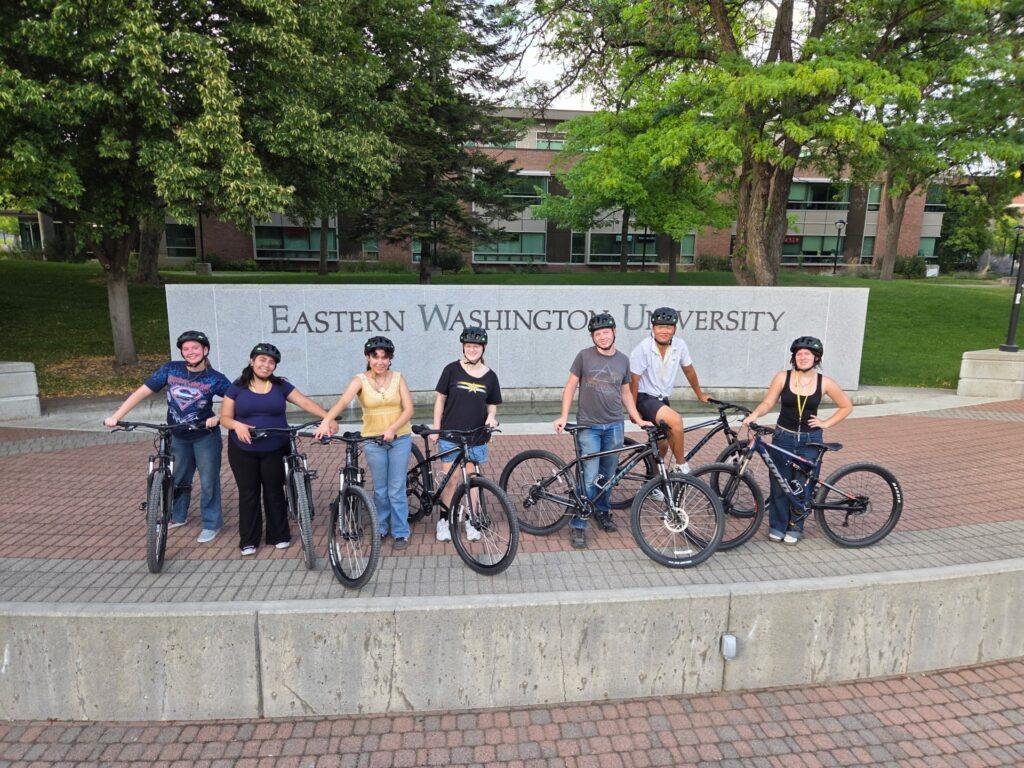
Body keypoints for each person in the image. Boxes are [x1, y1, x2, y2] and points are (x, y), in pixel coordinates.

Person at [104, 330, 230, 544]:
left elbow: (236, 399)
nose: (190, 352)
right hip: (177, 435)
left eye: (195, 348)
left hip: (204, 436)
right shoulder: (171, 369)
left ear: (205, 350)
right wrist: (116, 416)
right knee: (179, 479)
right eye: (186, 348)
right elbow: (142, 392)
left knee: (208, 481)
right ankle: (177, 516)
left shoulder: (215, 378)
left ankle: (211, 523)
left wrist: (219, 416)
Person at [220, 342, 334, 556]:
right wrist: (237, 424)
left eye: (271, 362)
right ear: (252, 361)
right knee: (249, 493)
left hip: (276, 446)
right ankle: (249, 539)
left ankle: (279, 535)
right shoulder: (236, 387)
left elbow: (305, 403)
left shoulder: (281, 386)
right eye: (262, 360)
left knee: (274, 491)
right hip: (243, 448)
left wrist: (327, 418)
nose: (266, 365)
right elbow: (225, 417)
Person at [741, 336, 853, 545]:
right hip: (783, 437)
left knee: (801, 485)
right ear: (794, 357)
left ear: (816, 358)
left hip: (811, 440)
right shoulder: (782, 377)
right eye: (799, 354)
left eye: (807, 354)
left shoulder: (824, 382)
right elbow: (768, 402)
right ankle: (778, 524)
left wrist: (826, 423)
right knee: (779, 482)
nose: (802, 357)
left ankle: (796, 527)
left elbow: (846, 406)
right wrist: (755, 414)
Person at [553, 312, 651, 549]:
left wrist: (637, 418)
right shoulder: (584, 357)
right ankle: (578, 523)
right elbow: (570, 387)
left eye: (606, 332)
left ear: (614, 332)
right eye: (598, 333)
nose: (603, 336)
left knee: (608, 475)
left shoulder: (623, 360)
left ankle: (602, 511)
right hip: (589, 426)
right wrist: (564, 416)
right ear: (593, 336)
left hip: (615, 425)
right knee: (589, 476)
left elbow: (626, 392)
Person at [314, 336, 415, 550]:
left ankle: (400, 532)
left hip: (399, 438)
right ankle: (381, 526)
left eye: (384, 357)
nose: (380, 361)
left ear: (390, 359)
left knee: (396, 487)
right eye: (375, 357)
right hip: (372, 439)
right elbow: (342, 401)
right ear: (367, 358)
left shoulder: (398, 378)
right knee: (380, 488)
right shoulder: (359, 380)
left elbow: (409, 410)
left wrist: (392, 429)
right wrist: (326, 421)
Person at [432, 326, 501, 542]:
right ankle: (445, 519)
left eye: (476, 346)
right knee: (451, 479)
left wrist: (491, 417)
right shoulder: (451, 370)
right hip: (450, 434)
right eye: (469, 346)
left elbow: (491, 405)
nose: (472, 349)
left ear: (483, 348)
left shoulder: (490, 376)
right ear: (463, 347)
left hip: (476, 436)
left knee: (472, 479)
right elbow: (440, 400)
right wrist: (436, 428)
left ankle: (472, 520)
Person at [629, 306, 711, 474]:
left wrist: (699, 394)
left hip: (661, 399)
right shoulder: (643, 348)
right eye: (660, 327)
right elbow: (633, 381)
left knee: (662, 445)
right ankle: (681, 466)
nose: (664, 331)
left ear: (675, 329)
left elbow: (689, 370)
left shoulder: (679, 345)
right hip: (644, 398)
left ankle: (651, 482)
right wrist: (633, 412)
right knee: (676, 421)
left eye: (668, 327)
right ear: (653, 328)